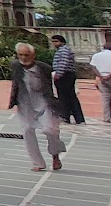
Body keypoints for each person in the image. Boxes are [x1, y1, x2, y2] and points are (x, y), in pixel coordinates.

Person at [9, 42, 64, 172]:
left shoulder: (44, 68)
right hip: (25, 103)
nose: (23, 58)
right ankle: (38, 163)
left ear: (33, 55)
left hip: (44, 102)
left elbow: (55, 85)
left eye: (26, 55)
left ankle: (55, 154)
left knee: (50, 130)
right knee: (27, 130)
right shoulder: (15, 66)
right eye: (20, 55)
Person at [50, 34, 85, 125]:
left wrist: (59, 73)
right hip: (66, 75)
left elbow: (64, 62)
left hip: (65, 75)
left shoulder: (64, 50)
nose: (54, 43)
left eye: (56, 41)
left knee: (64, 97)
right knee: (70, 96)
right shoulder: (62, 50)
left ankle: (65, 116)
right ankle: (78, 118)